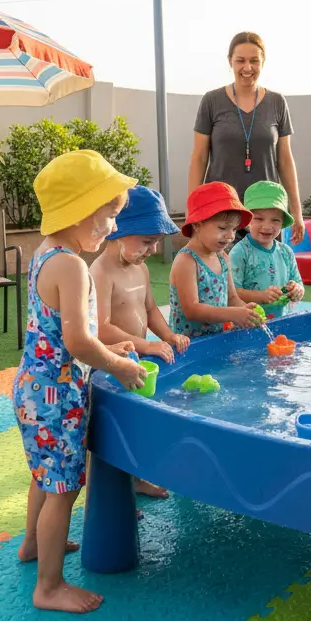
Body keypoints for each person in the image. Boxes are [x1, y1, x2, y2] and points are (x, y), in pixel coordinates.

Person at [13, 150, 146, 614]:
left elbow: (64, 333)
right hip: (57, 394)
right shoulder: (71, 266)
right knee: (64, 490)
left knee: (45, 478)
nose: (112, 226)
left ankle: (32, 543)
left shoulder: (45, 252)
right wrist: (119, 364)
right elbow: (77, 342)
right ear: (80, 210)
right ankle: (49, 587)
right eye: (108, 216)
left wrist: (113, 349)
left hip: (35, 387)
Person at [91, 185, 190, 500]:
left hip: (136, 361)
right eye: (147, 242)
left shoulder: (141, 269)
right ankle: (113, 495)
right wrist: (145, 345)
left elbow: (150, 310)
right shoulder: (101, 272)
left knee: (140, 423)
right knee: (113, 430)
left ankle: (137, 477)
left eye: (157, 243)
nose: (152, 250)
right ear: (118, 230)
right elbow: (101, 329)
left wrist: (167, 336)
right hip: (110, 365)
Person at [188, 31, 305, 244]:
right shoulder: (211, 101)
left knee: (268, 275)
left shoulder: (277, 102)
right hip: (221, 211)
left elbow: (286, 161)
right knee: (220, 275)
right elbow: (199, 158)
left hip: (266, 211)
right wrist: (194, 210)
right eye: (240, 60)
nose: (247, 68)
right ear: (230, 61)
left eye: (254, 61)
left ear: (263, 63)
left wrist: (297, 212)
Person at [169, 181, 263, 337]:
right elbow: (192, 310)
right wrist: (233, 314)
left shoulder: (222, 258)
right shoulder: (186, 261)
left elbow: (232, 298)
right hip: (188, 345)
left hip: (216, 338)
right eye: (222, 228)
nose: (230, 235)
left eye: (234, 229)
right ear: (197, 225)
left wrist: (245, 311)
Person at [230, 180, 305, 309]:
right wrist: (260, 296)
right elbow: (232, 293)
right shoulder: (240, 252)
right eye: (259, 219)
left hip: (283, 319)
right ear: (247, 220)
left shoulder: (286, 252)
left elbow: (299, 284)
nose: (267, 226)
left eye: (275, 220)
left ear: (282, 223)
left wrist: (297, 290)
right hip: (251, 321)